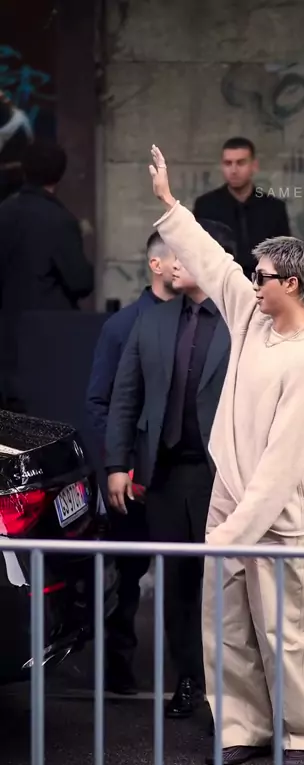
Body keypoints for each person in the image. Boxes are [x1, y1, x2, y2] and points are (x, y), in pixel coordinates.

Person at [149, 143, 304, 765]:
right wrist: (170, 204)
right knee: (224, 623)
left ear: (293, 285)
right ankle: (241, 726)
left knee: (285, 629)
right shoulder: (251, 316)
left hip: (276, 515)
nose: (252, 282)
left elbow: (282, 466)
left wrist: (232, 533)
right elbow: (212, 260)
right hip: (229, 494)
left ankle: (301, 734)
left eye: (264, 276)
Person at [105, 219, 234, 718]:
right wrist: (118, 464)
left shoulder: (241, 319)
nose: (172, 263)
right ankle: (188, 679)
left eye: (183, 253)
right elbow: (125, 395)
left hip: (220, 474)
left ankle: (229, 690)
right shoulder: (153, 320)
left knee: (222, 584)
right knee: (175, 583)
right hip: (164, 474)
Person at [85, 231, 176, 694]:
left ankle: (189, 673)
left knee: (187, 575)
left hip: (181, 475)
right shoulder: (123, 326)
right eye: (179, 255)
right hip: (134, 476)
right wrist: (120, 464)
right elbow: (101, 402)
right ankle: (116, 664)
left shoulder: (201, 320)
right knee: (125, 576)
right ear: (157, 264)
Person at [0, 138, 94, 411]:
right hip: (46, 341)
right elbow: (80, 282)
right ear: (60, 174)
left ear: (24, 169)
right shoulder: (59, 220)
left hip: (6, 341)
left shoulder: (4, 212)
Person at [193, 137, 290, 279]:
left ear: (254, 166)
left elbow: (285, 258)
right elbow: (197, 253)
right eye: (228, 163)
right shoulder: (205, 206)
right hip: (217, 284)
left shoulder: (274, 209)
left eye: (241, 163)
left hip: (262, 285)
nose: (234, 170)